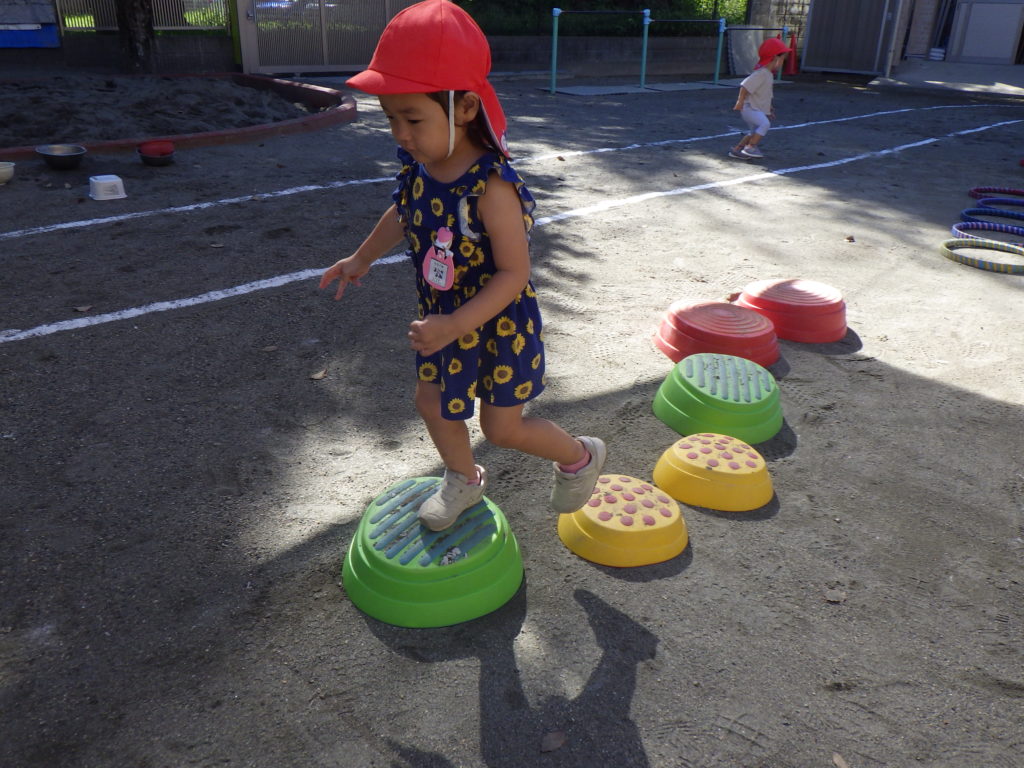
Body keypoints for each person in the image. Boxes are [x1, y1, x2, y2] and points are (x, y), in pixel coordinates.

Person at [319, 0, 606, 532]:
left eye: (412, 118)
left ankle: (580, 456)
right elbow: (404, 212)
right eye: (391, 118)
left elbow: (514, 274)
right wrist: (361, 257)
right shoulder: (421, 166)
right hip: (444, 320)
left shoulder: (492, 187)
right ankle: (463, 479)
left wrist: (455, 323)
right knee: (431, 402)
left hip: (497, 323)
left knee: (502, 429)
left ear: (466, 107)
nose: (400, 133)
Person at [729, 37, 791, 160]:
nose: (783, 62)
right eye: (783, 59)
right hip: (749, 108)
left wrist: (769, 108)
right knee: (764, 124)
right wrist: (740, 102)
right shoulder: (762, 73)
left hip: (753, 108)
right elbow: (745, 86)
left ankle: (737, 150)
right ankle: (750, 147)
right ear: (775, 57)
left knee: (754, 132)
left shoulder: (767, 74)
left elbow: (764, 94)